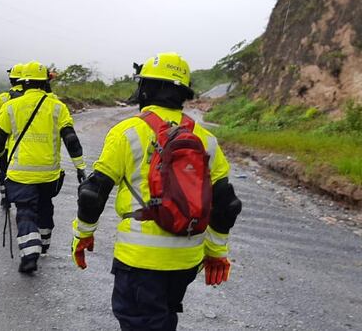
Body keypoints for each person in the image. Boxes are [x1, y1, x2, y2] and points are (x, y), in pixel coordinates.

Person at [71, 52, 242, 331]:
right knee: (161, 319)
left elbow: (92, 193)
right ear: (183, 93)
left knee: (143, 322)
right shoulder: (206, 139)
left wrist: (84, 234)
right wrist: (216, 251)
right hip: (186, 261)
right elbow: (227, 204)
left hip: (140, 259)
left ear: (145, 88)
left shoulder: (127, 132)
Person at [0, 61, 87, 273]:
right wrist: (80, 167)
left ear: (23, 83)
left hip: (20, 174)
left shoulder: (10, 107)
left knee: (25, 211)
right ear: (44, 83)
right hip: (49, 174)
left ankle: (29, 254)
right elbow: (71, 140)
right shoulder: (58, 108)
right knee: (44, 206)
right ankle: (43, 246)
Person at [0, 63, 25, 208]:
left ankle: (5, 198)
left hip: (5, 145)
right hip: (24, 146)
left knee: (4, 171)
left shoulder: (3, 98)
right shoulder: (35, 100)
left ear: (11, 80)